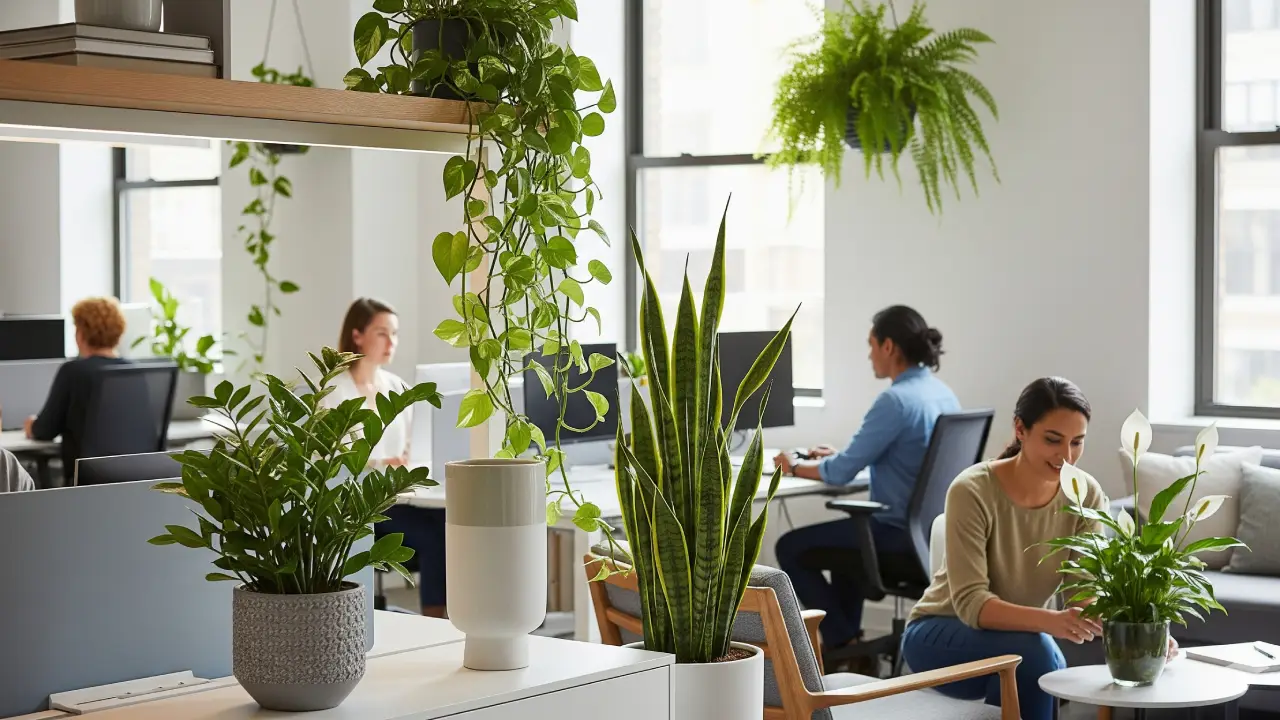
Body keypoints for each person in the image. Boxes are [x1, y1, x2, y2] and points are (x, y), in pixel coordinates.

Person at [900, 377, 1176, 720]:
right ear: (1020, 429)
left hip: (1020, 644)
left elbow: (1082, 597)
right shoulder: (971, 491)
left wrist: (1138, 630)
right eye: (1052, 440)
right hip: (939, 635)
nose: (1067, 456)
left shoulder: (1085, 493)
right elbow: (972, 605)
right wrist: (1052, 622)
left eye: (1077, 442)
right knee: (1038, 653)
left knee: (1035, 656)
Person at [773, 305, 959, 655]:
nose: (869, 354)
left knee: (789, 548)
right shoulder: (940, 393)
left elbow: (841, 473)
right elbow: (897, 459)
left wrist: (793, 466)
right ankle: (853, 651)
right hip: (930, 534)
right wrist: (837, 457)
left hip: (897, 535)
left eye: (871, 344)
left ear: (888, 346)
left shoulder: (895, 400)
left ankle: (842, 641)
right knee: (847, 549)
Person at [323, 297, 446, 618]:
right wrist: (379, 464)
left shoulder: (397, 387)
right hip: (359, 508)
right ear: (357, 335)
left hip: (404, 499)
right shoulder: (333, 393)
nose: (391, 342)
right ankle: (436, 618)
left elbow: (414, 446)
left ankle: (456, 615)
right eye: (381, 333)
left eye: (395, 334)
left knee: (453, 523)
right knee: (437, 533)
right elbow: (328, 463)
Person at [25, 297, 131, 474]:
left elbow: (45, 429)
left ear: (81, 334)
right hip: (132, 480)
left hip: (85, 484)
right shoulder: (134, 372)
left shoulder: (74, 372)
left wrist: (31, 425)